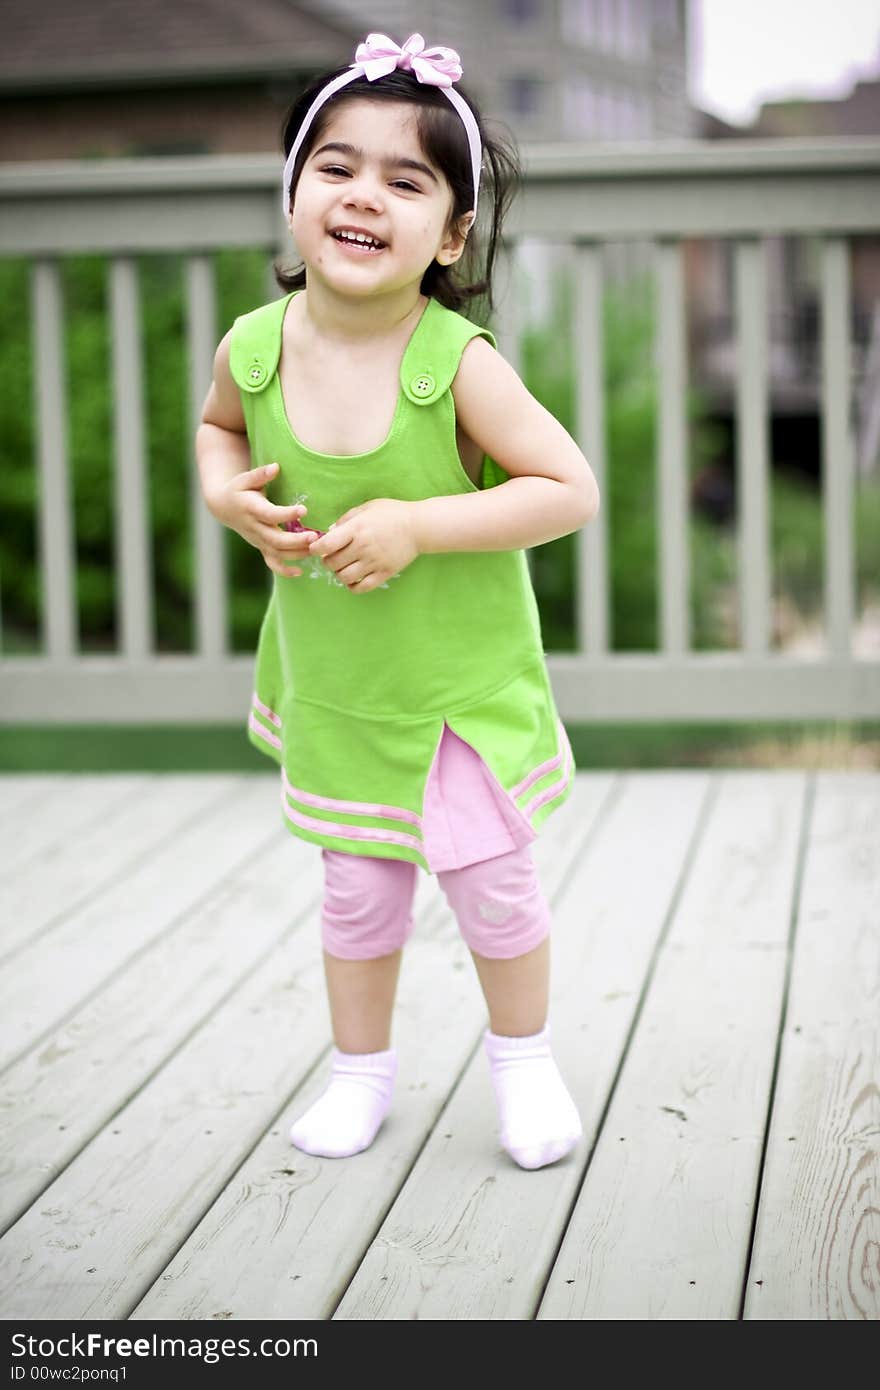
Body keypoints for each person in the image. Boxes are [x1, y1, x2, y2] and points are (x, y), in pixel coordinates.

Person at [196, 32, 600, 1171]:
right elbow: (217, 431)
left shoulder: (455, 364)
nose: (364, 194)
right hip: (343, 690)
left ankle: (521, 1061)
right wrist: (229, 497)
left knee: (495, 895)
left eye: (406, 179)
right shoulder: (256, 350)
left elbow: (565, 488)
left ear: (452, 233)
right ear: (293, 194)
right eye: (336, 166)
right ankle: (359, 1073)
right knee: (357, 898)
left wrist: (420, 522)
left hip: (454, 699)